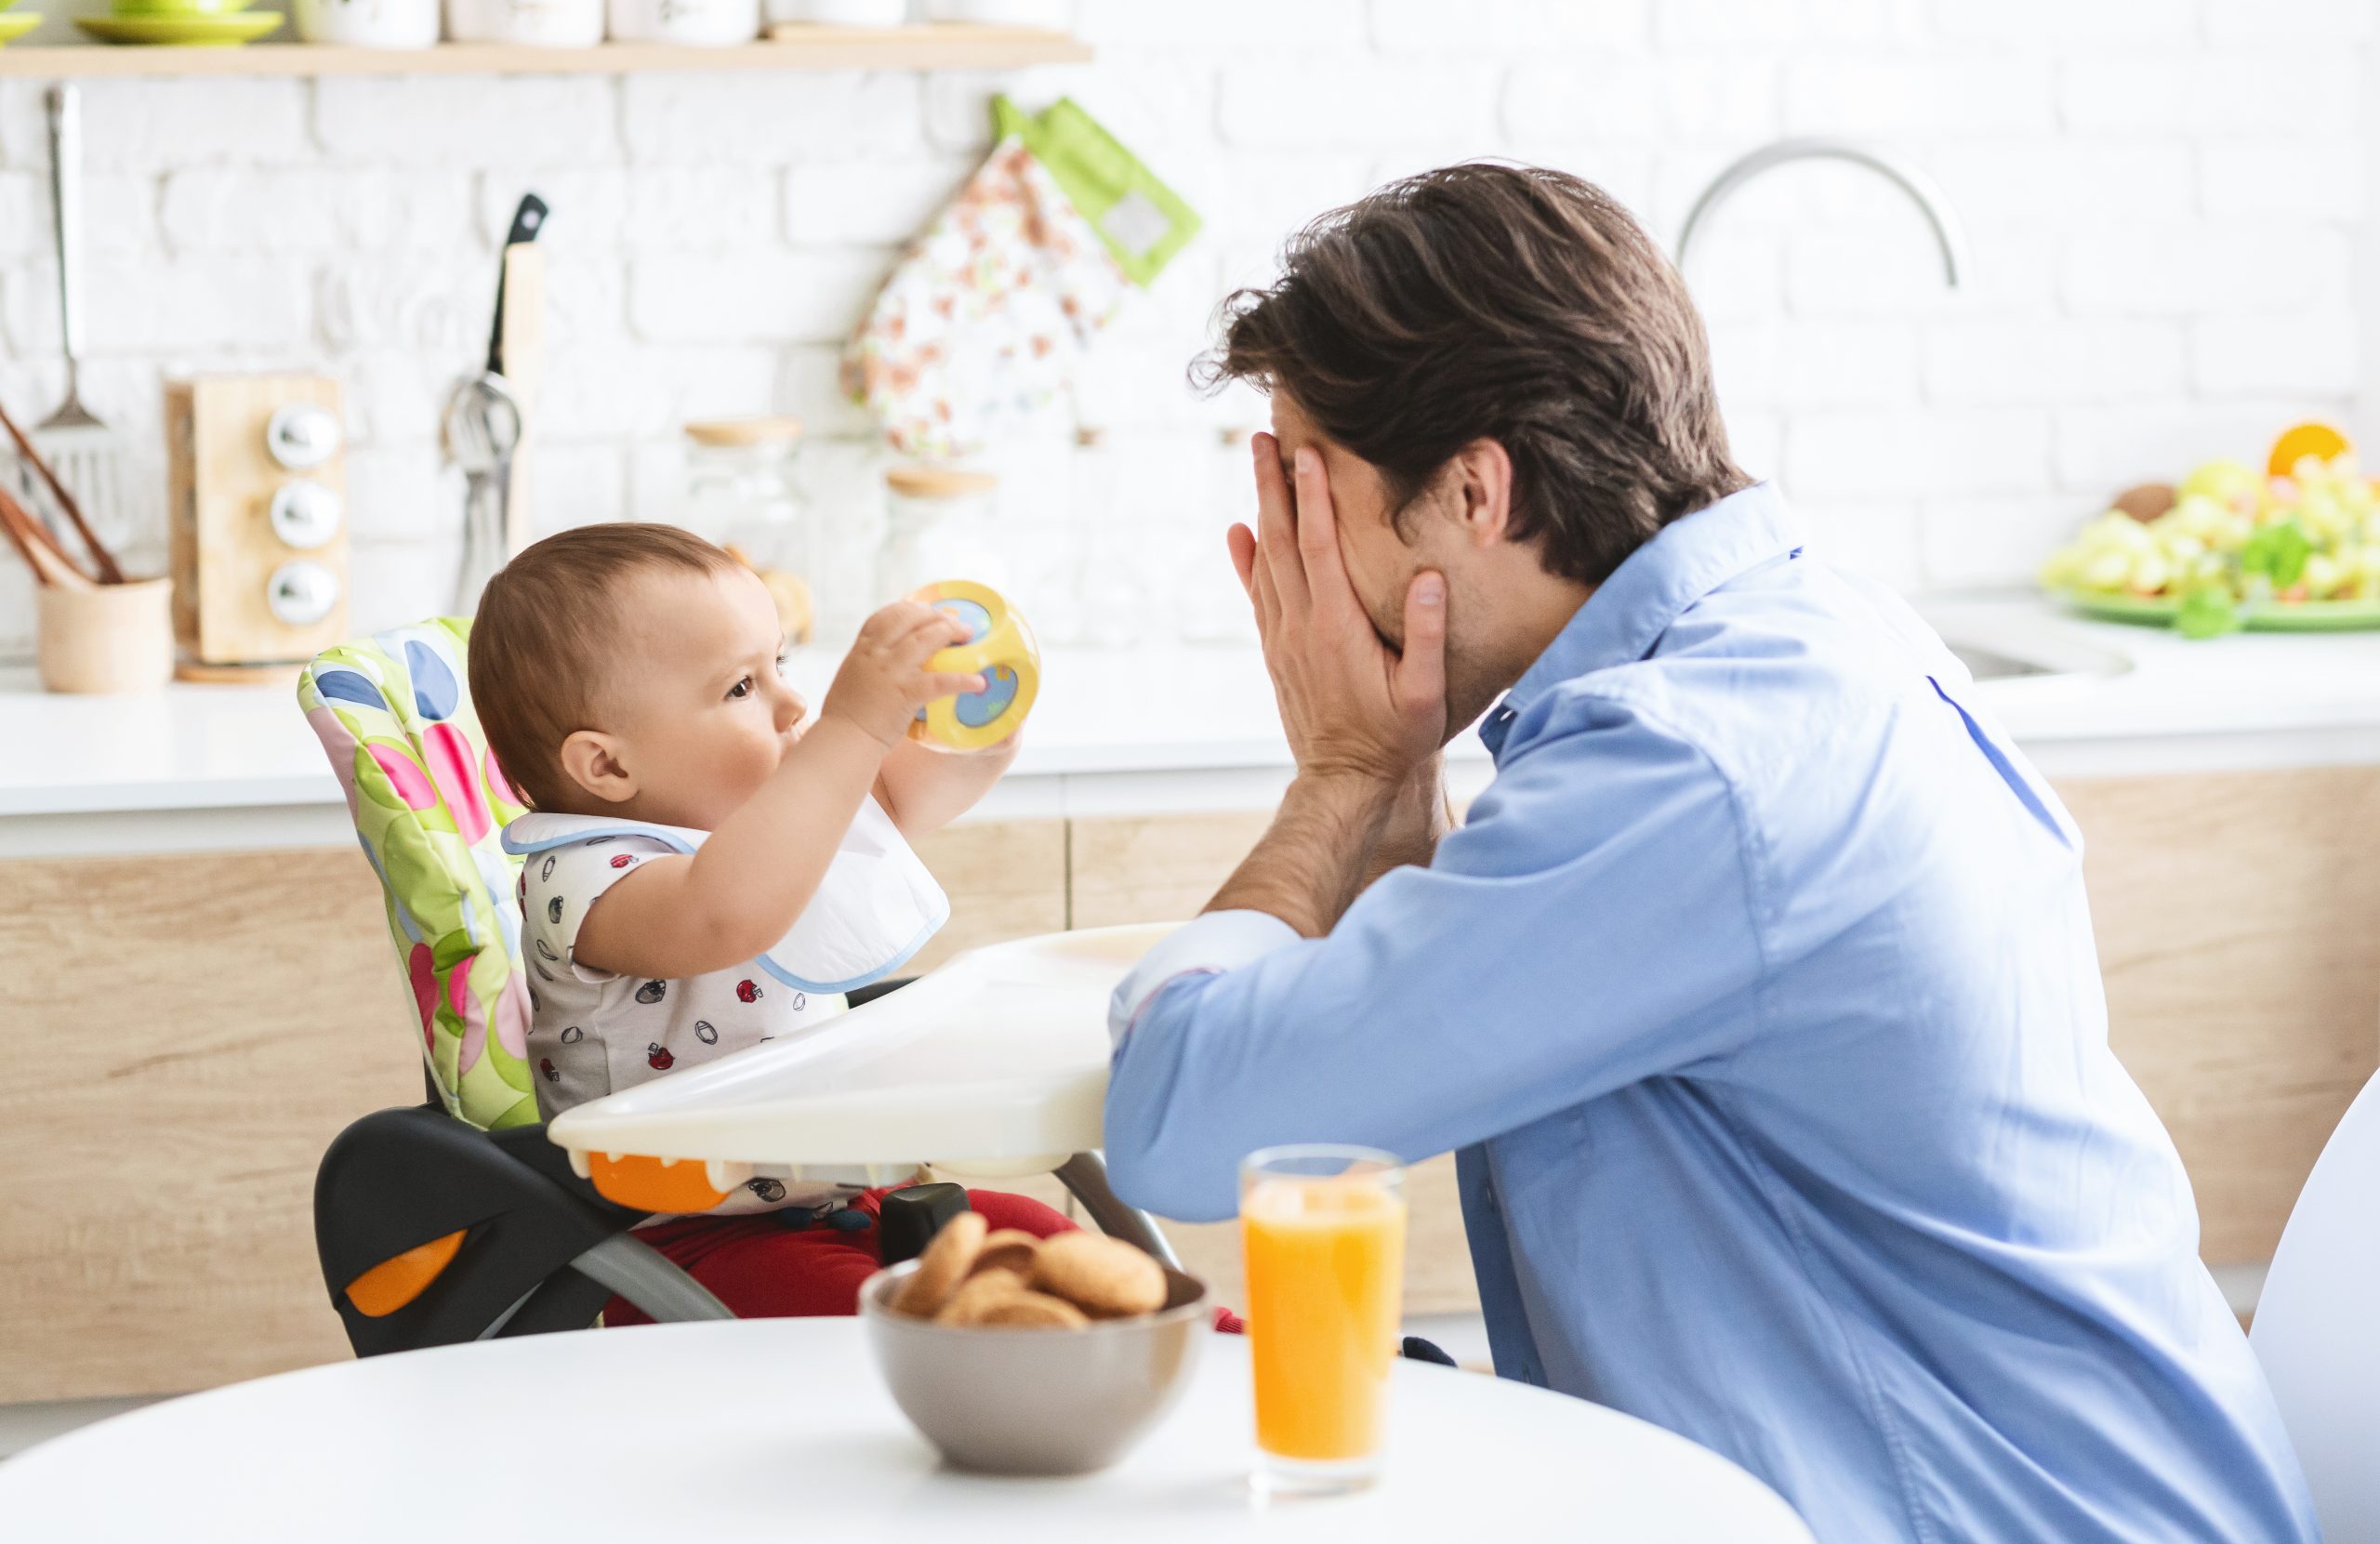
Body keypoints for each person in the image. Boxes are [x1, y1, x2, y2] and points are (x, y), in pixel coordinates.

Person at [1101, 165, 2318, 1542]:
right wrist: (1384, 793)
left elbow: (1185, 1125)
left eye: (1313, 499)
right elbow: (1390, 1052)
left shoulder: (1693, 766)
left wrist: (1338, 772)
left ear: (1475, 492)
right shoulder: (1779, 646)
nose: (1293, 564)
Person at [470, 524, 1073, 1322]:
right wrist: (849, 730)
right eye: (740, 688)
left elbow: (895, 800)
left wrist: (973, 721)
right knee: (930, 1331)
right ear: (608, 766)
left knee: (1052, 1248)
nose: (793, 704)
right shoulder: (582, 879)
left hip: (848, 1198)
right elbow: (723, 913)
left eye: (778, 664)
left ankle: (1217, 1351)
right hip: (687, 1245)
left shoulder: (758, 820)